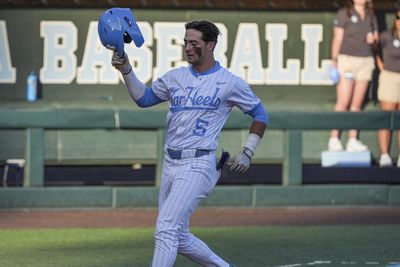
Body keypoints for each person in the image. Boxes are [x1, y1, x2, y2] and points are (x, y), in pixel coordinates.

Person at [110, 20, 268, 266]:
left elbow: (261, 114)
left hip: (199, 163)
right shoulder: (176, 77)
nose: (188, 48)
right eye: (186, 43)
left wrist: (248, 151)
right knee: (178, 235)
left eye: (194, 43)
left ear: (211, 45)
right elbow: (144, 98)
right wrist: (127, 70)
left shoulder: (229, 82)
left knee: (165, 228)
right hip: (170, 162)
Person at [328, 0, 379, 152]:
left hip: (365, 62)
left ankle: (352, 140)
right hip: (347, 61)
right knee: (343, 102)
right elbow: (337, 38)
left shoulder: (371, 15)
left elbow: (375, 41)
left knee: (356, 105)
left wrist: (373, 40)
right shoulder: (344, 13)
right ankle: (334, 138)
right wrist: (334, 61)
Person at [376, 9, 400, 167]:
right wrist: (382, 67)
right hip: (389, 78)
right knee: (387, 118)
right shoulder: (386, 36)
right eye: (398, 17)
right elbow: (374, 50)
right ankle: (385, 155)